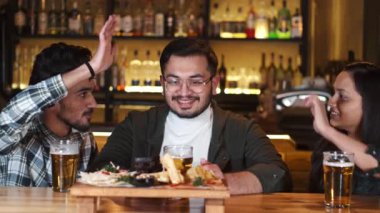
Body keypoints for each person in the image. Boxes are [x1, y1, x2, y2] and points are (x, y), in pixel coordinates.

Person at [89, 38, 292, 195]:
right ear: (163, 83)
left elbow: (278, 174)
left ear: (214, 84)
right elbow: (102, 169)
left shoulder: (241, 129)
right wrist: (143, 181)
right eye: (174, 81)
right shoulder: (136, 125)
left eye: (196, 81)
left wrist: (223, 182)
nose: (184, 92)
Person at [0, 15, 116, 186]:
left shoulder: (85, 140)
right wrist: (91, 67)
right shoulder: (16, 136)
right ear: (53, 97)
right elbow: (15, 110)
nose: (93, 103)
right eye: (83, 94)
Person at [305, 62, 380, 195]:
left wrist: (327, 130)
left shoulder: (330, 135)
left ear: (371, 103)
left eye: (343, 97)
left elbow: (376, 165)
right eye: (334, 93)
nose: (331, 102)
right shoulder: (326, 147)